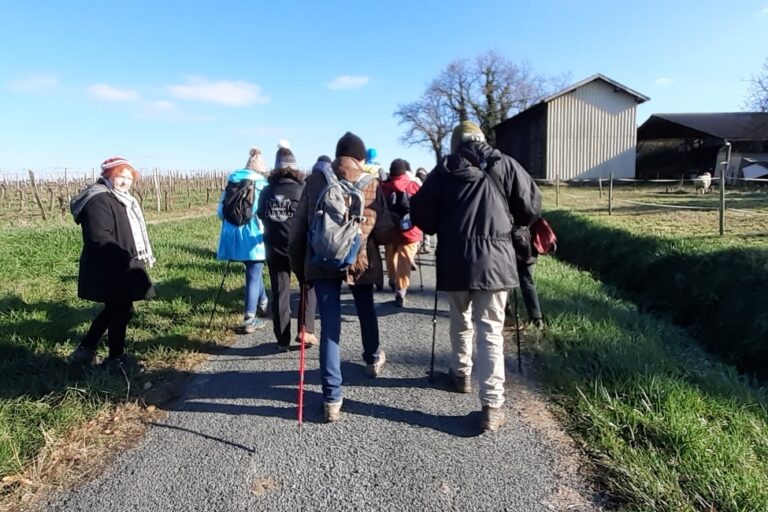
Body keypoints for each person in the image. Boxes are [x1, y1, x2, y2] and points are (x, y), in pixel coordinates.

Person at [411, 121, 541, 432]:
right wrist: (511, 223)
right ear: (481, 139)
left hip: (456, 261)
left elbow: (423, 219)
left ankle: (461, 374)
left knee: (460, 320)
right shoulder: (506, 164)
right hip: (497, 262)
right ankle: (492, 406)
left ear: (457, 145)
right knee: (491, 331)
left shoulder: (443, 171)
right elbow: (532, 205)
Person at [289, 131, 396, 422]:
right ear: (360, 158)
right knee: (365, 309)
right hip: (359, 260)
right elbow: (385, 231)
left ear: (336, 155)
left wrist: (301, 270)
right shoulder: (371, 183)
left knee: (330, 327)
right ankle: (373, 358)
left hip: (321, 261)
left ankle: (331, 398)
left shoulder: (315, 180)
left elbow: (298, 228)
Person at [68, 157, 156, 372]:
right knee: (120, 310)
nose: (125, 181)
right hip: (109, 266)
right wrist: (123, 259)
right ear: (108, 175)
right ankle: (116, 358)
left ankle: (84, 350)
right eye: (120, 176)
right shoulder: (99, 200)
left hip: (121, 263)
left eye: (129, 177)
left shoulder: (119, 198)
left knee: (119, 310)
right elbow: (99, 237)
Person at [256, 143, 318, 352]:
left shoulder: (266, 191)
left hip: (273, 246)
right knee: (308, 285)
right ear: (295, 167)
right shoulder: (302, 189)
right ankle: (305, 329)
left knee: (280, 291)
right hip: (298, 247)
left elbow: (260, 214)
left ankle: (282, 340)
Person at [217, 147, 269, 334]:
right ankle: (249, 318)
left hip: (232, 236)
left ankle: (263, 301)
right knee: (254, 272)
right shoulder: (262, 185)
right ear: (261, 170)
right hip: (254, 234)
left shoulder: (232, 183)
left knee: (253, 270)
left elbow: (220, 213)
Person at [380, 158, 422, 307]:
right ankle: (401, 290)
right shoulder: (413, 185)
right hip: (410, 230)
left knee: (390, 253)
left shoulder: (384, 186)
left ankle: (392, 277)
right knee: (404, 257)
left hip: (390, 229)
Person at [511, 224, 544, 330]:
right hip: (526, 239)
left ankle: (505, 311)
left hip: (508, 239)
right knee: (527, 281)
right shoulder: (531, 207)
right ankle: (536, 318)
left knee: (503, 278)